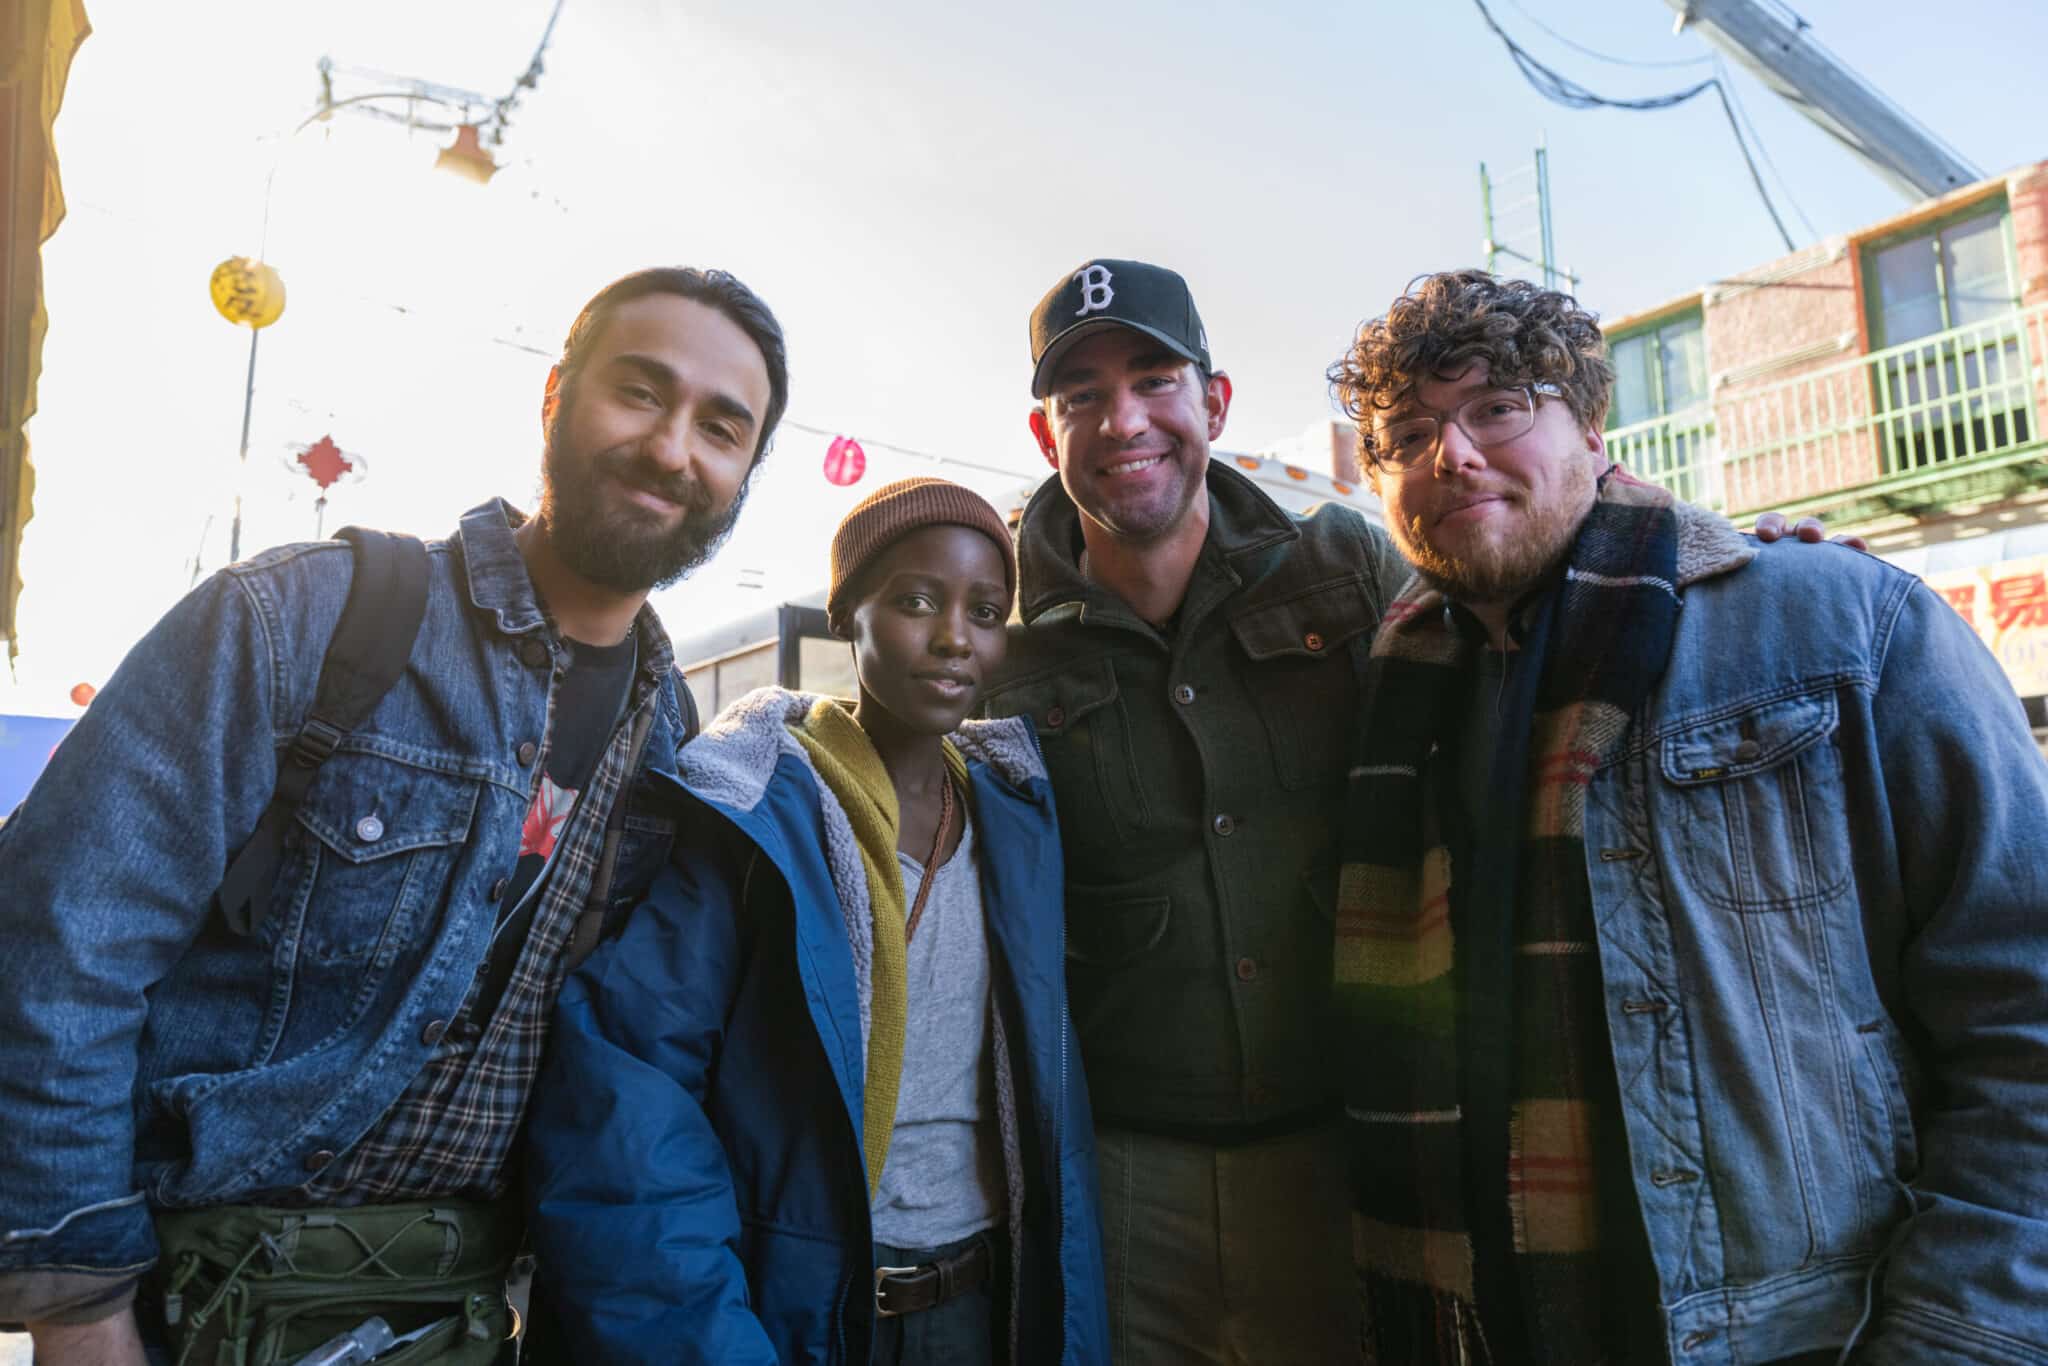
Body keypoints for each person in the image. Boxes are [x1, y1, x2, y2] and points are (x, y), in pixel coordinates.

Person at [0, 266, 789, 1365]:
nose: (671, 448)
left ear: (745, 472)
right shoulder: (302, 618)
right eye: (641, 391)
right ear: (557, 396)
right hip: (189, 1300)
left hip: (460, 1314)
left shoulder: (666, 744)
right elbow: (58, 949)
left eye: (720, 427)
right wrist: (79, 1310)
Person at [1327, 268, 2048, 1364]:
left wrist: (1958, 1330)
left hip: (1809, 1327)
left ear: (1591, 426)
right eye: (1408, 435)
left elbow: (2022, 1008)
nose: (1451, 455)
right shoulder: (1395, 692)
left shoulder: (1838, 622)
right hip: (1493, 1320)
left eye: (1497, 408)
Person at [523, 477, 1108, 1365]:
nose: (955, 636)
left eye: (986, 612)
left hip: (986, 1310)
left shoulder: (1020, 822)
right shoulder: (755, 822)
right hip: (811, 1314)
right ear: (847, 616)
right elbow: (627, 1106)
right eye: (916, 602)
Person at [980, 259, 1414, 1363]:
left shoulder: (1348, 569)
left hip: (1348, 1158)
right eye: (1081, 395)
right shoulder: (995, 645)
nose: (1122, 420)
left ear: (1213, 404)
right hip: (1125, 1182)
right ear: (1045, 435)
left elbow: (1514, 623)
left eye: (1153, 380)